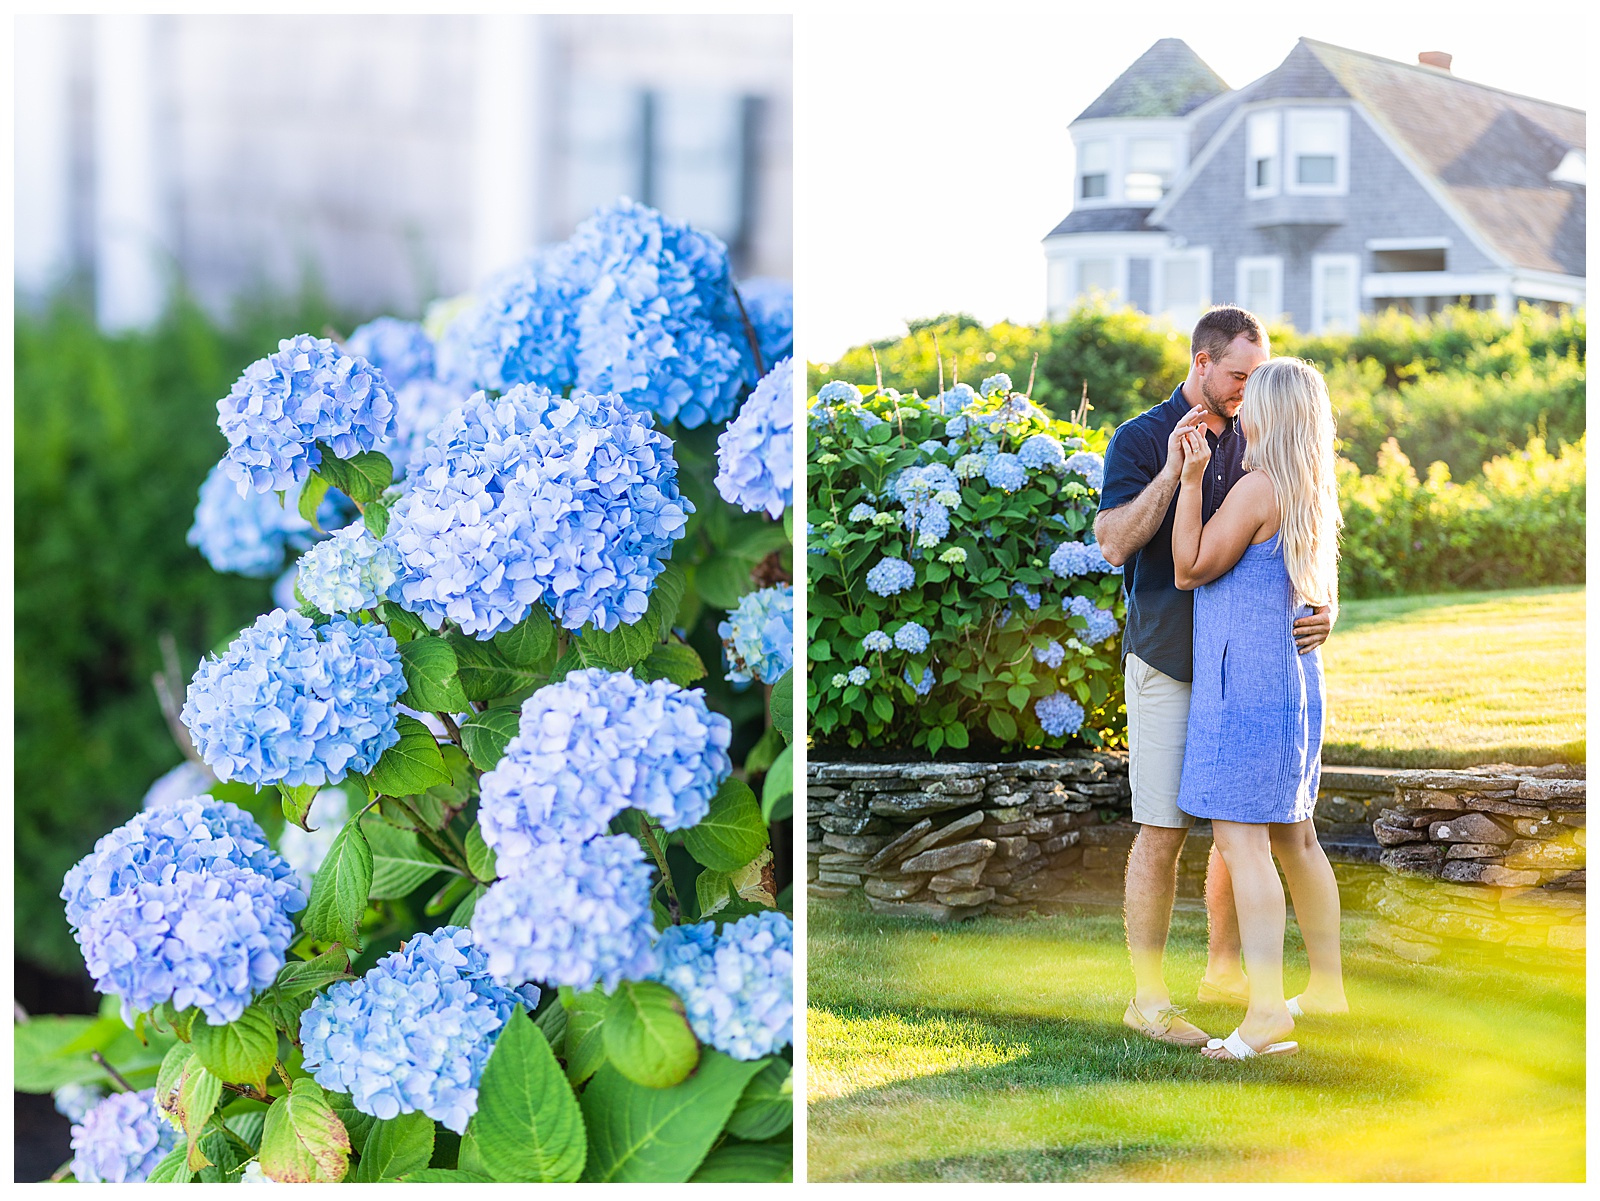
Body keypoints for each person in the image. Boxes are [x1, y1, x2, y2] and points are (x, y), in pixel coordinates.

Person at [1094, 307, 1331, 1047]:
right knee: (1164, 830)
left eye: (1258, 378)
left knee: (1251, 830)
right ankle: (1150, 998)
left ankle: (1229, 973)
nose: (1247, 389)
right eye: (1238, 375)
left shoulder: (1262, 443)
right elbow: (1112, 545)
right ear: (1201, 363)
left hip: (1246, 666)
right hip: (1172, 659)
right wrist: (1174, 472)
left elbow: (1298, 540)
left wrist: (1327, 607)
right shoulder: (1140, 438)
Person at [1171, 356, 1349, 1060]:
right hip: (1294, 685)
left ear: (1268, 414)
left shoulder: (1254, 489)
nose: (1239, 407)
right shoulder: (1310, 488)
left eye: (1252, 399)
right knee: (1297, 839)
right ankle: (1328, 985)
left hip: (1244, 686)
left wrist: (1189, 482)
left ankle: (1268, 1011)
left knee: (1243, 842)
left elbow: (1189, 567)